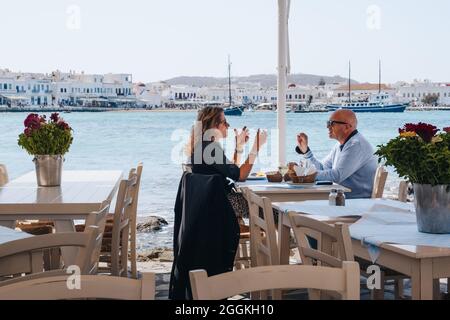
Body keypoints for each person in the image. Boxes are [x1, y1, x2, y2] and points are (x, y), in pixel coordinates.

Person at [295, 109, 377, 199]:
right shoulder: (341, 144)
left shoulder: (356, 145)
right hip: (340, 197)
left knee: (298, 200)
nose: (328, 127)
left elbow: (336, 176)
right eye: (328, 123)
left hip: (354, 202)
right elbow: (323, 168)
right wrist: (306, 152)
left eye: (332, 123)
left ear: (347, 127)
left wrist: (304, 175)